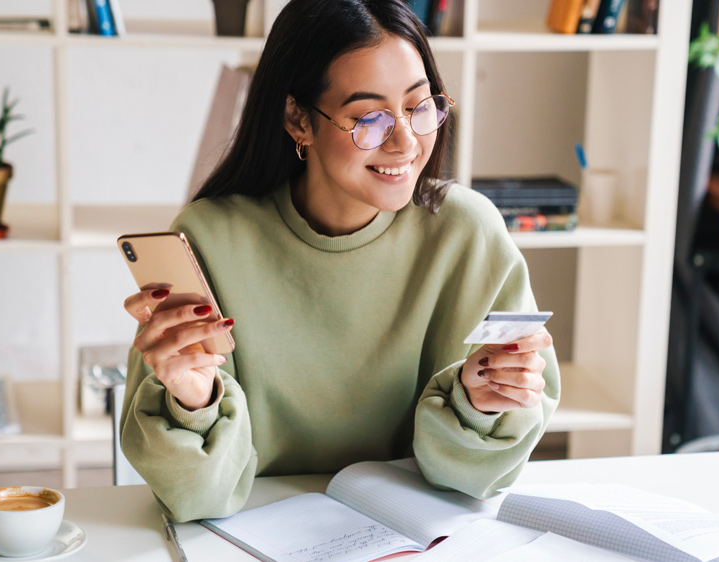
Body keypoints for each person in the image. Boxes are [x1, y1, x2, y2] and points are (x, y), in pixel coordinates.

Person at [119, 0, 560, 522]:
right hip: (253, 537)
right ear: (297, 119)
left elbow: (474, 484)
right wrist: (193, 401)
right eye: (368, 118)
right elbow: (198, 499)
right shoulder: (210, 237)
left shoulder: (468, 233)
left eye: (420, 107)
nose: (405, 141)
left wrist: (482, 403)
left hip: (417, 536)